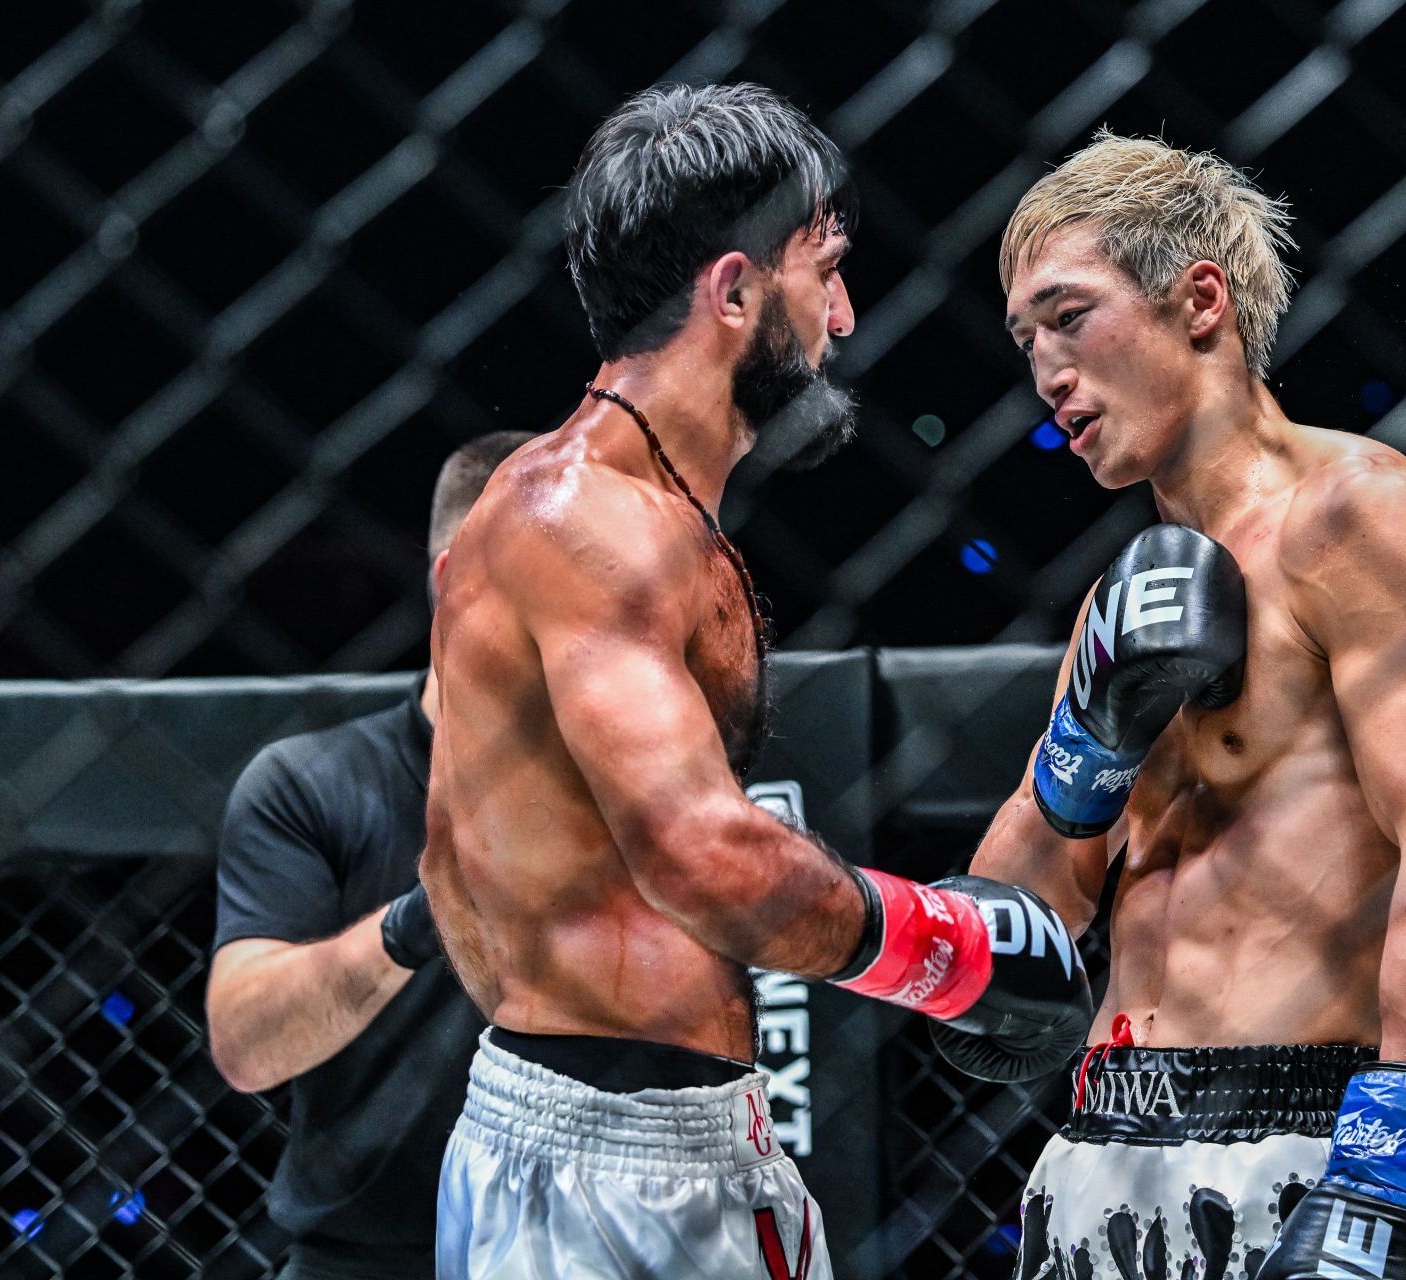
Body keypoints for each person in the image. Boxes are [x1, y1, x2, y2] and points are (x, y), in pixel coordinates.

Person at [420, 81, 1093, 1280]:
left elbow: (447, 861)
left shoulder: (642, 513)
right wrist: (951, 948)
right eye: (822, 271)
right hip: (607, 1163)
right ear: (733, 292)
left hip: (644, 1131)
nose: (843, 314)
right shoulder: (581, 519)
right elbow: (702, 855)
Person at [975, 132, 1406, 1279]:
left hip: (1295, 1147)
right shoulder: (1117, 603)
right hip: (1094, 1149)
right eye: (1026, 341)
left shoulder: (1359, 516)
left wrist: (1385, 1181)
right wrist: (1086, 740)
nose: (1047, 373)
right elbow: (1013, 932)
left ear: (1200, 300)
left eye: (1069, 317)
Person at [207, 430, 533, 1280]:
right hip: (365, 1262)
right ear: (459, 581)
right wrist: (417, 922)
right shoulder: (310, 785)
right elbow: (246, 1043)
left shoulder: (646, 788)